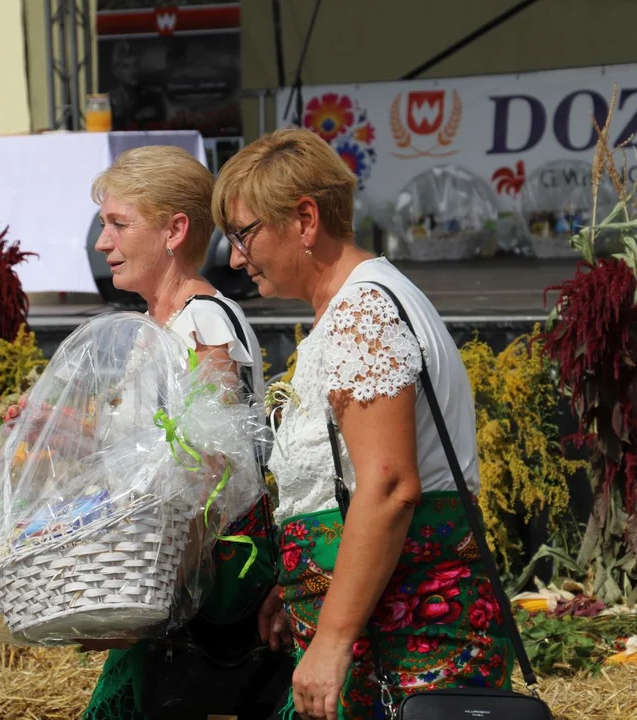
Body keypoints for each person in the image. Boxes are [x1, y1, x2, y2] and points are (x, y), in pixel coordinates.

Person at [211, 128, 514, 720]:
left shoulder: (363, 314)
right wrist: (309, 591)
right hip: (379, 636)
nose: (234, 257)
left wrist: (331, 636)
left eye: (243, 234)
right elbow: (345, 486)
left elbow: (390, 486)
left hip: (405, 646)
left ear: (304, 219)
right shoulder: (354, 308)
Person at [80, 145, 278, 719]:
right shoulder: (153, 327)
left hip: (200, 603)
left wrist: (144, 599)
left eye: (118, 224)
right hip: (168, 590)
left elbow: (215, 469)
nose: (102, 242)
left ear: (174, 230)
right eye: (103, 225)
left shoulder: (203, 323)